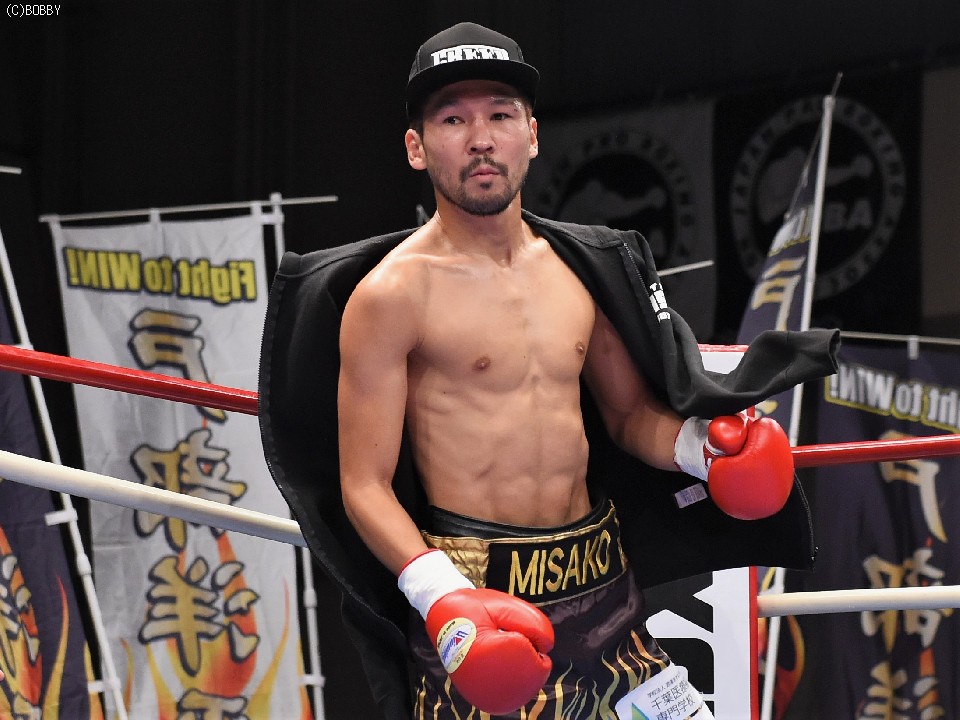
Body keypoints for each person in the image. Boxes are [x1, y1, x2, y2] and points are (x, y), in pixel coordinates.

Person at [258, 21, 839, 720]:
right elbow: (364, 485)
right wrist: (441, 598)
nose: (481, 138)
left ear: (531, 135)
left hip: (604, 583)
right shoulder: (391, 296)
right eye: (453, 119)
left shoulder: (581, 269)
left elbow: (628, 416)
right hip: (480, 594)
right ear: (417, 147)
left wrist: (702, 452)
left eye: (501, 116)